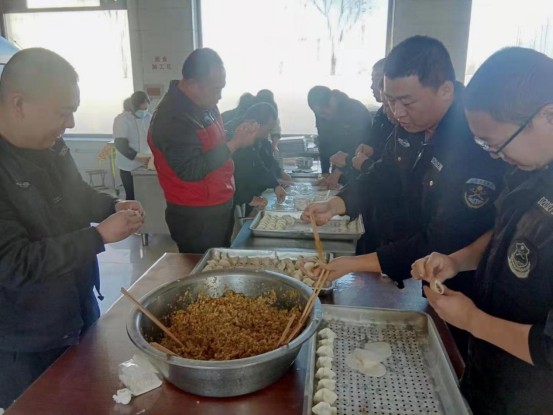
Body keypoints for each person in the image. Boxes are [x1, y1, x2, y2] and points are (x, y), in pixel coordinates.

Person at [302, 36, 506, 353]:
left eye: (407, 102)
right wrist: (338, 202)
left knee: (455, 352)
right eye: (390, 101)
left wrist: (355, 263)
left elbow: (444, 238)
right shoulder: (410, 125)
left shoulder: (473, 143)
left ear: (445, 91)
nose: (397, 112)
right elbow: (384, 172)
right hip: (422, 268)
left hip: (466, 284)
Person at [410, 47, 553, 415]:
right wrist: (457, 261)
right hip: (489, 375)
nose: (493, 155)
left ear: (548, 115)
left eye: (496, 143)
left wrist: (472, 320)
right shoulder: (532, 167)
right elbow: (508, 231)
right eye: (483, 144)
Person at [0, 48, 144, 408]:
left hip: (78, 309)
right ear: (19, 104)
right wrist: (98, 236)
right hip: (28, 339)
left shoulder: (51, 145)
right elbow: (14, 263)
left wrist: (112, 207)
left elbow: (76, 195)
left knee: (90, 400)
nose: (72, 124)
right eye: (63, 113)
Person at [148, 48, 259, 253]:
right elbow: (190, 169)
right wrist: (235, 144)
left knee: (220, 261)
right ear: (192, 84)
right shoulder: (172, 117)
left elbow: (213, 142)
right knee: (203, 267)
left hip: (218, 205)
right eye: (215, 90)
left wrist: (237, 134)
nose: (219, 96)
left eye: (221, 88)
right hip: (196, 216)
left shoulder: (204, 103)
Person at [307, 86, 372, 187]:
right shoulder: (321, 113)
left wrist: (338, 172)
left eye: (325, 111)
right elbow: (324, 142)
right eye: (320, 114)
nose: (323, 116)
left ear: (331, 100)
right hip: (337, 167)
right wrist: (325, 173)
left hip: (359, 168)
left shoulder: (356, 110)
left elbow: (360, 144)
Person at [228, 102, 286, 215]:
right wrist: (249, 198)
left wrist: (275, 185)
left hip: (240, 197)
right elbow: (233, 177)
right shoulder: (232, 137)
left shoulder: (251, 138)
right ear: (255, 124)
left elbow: (258, 164)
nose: (267, 135)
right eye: (267, 130)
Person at [113, 91, 152, 200]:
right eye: (141, 109)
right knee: (132, 196)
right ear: (133, 106)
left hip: (146, 163)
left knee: (146, 196)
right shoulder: (122, 119)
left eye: (146, 108)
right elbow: (120, 143)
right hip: (128, 165)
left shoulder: (149, 118)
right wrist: (136, 156)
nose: (144, 112)